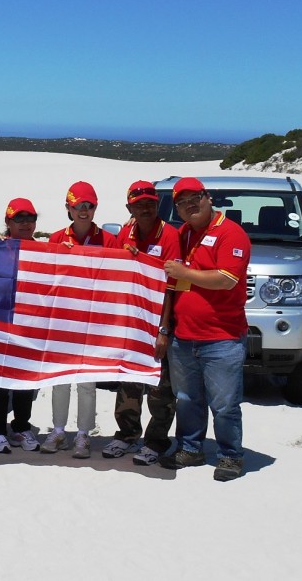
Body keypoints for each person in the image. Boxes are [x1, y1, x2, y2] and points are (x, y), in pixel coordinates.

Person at [162, 177, 251, 481]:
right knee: (187, 399)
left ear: (207, 198)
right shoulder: (184, 233)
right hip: (184, 336)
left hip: (221, 338)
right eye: (182, 203)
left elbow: (227, 279)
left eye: (194, 199)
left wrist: (185, 272)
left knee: (224, 403)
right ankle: (191, 447)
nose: (189, 206)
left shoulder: (231, 233)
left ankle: (229, 456)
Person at [103, 180, 181, 466]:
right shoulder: (126, 234)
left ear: (158, 204)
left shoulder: (170, 236)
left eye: (150, 203)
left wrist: (163, 331)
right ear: (129, 208)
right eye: (139, 205)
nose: (145, 208)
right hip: (132, 323)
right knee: (128, 381)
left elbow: (171, 288)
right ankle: (126, 434)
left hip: (158, 321)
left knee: (160, 386)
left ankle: (156, 440)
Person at [42, 180, 116, 458]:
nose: (84, 211)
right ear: (68, 208)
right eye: (78, 206)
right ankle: (59, 430)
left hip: (93, 321)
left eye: (89, 206)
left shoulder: (109, 241)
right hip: (63, 319)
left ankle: (84, 434)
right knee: (59, 378)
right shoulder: (56, 238)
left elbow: (117, 277)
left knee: (87, 380)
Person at [0, 198, 42, 454]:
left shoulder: (44, 250)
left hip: (29, 323)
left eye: (30, 219)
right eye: (19, 219)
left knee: (25, 379)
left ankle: (21, 426)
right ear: (8, 222)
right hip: (1, 321)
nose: (25, 224)